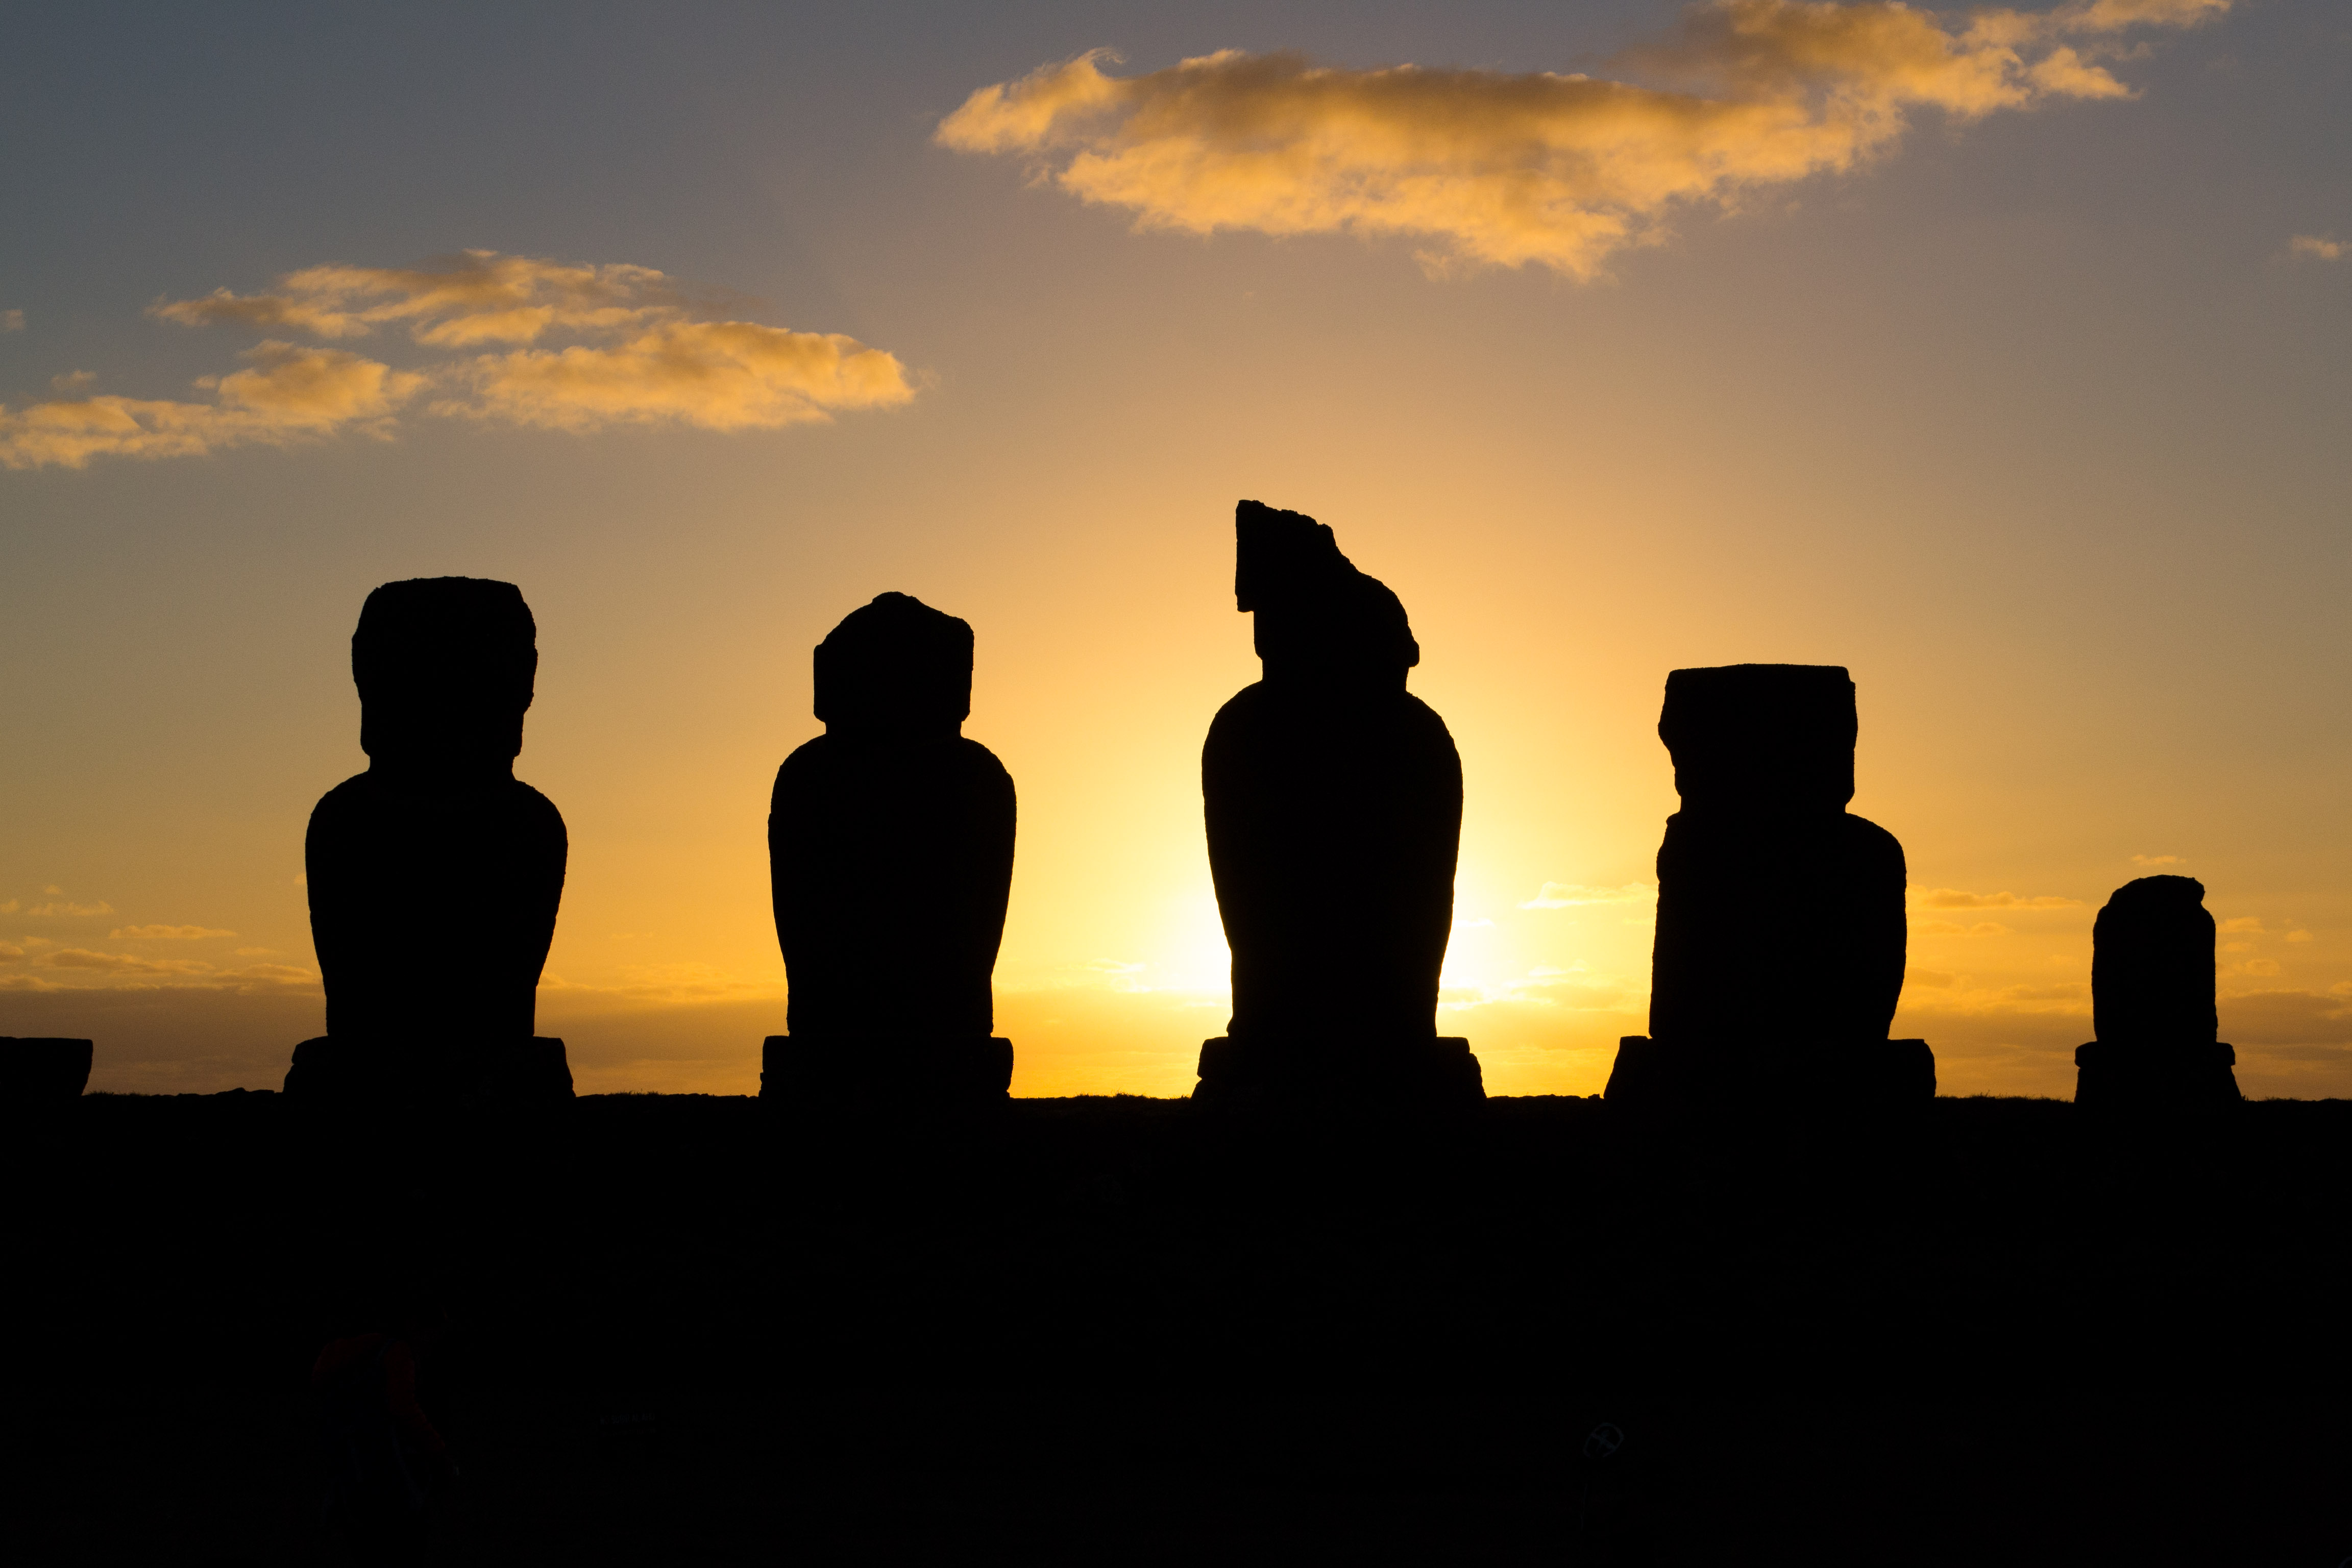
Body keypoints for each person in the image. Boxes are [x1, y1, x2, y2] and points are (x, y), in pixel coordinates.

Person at [310, 1300, 454, 1565]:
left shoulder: (357, 1350)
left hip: (350, 1460)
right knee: (404, 1536)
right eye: (433, 1334)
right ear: (415, 1326)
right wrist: (439, 1452)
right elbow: (403, 1407)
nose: (433, 1344)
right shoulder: (398, 1353)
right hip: (386, 1463)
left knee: (365, 1540)